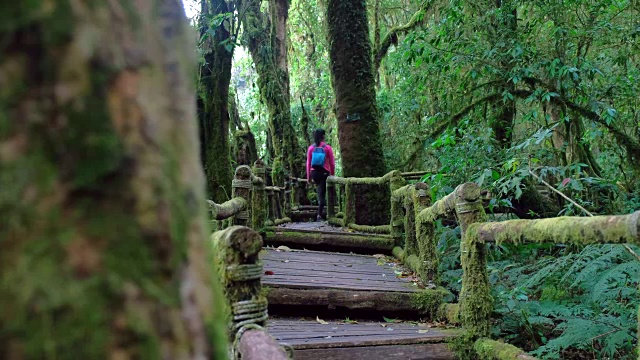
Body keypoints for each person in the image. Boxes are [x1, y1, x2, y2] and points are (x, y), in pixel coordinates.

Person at [306, 129, 335, 221]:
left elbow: (308, 163)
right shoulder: (327, 148)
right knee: (322, 194)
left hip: (314, 173)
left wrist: (309, 177)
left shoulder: (311, 148)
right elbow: (332, 163)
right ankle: (319, 215)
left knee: (320, 192)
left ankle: (321, 213)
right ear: (323, 136)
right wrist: (332, 175)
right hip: (324, 173)